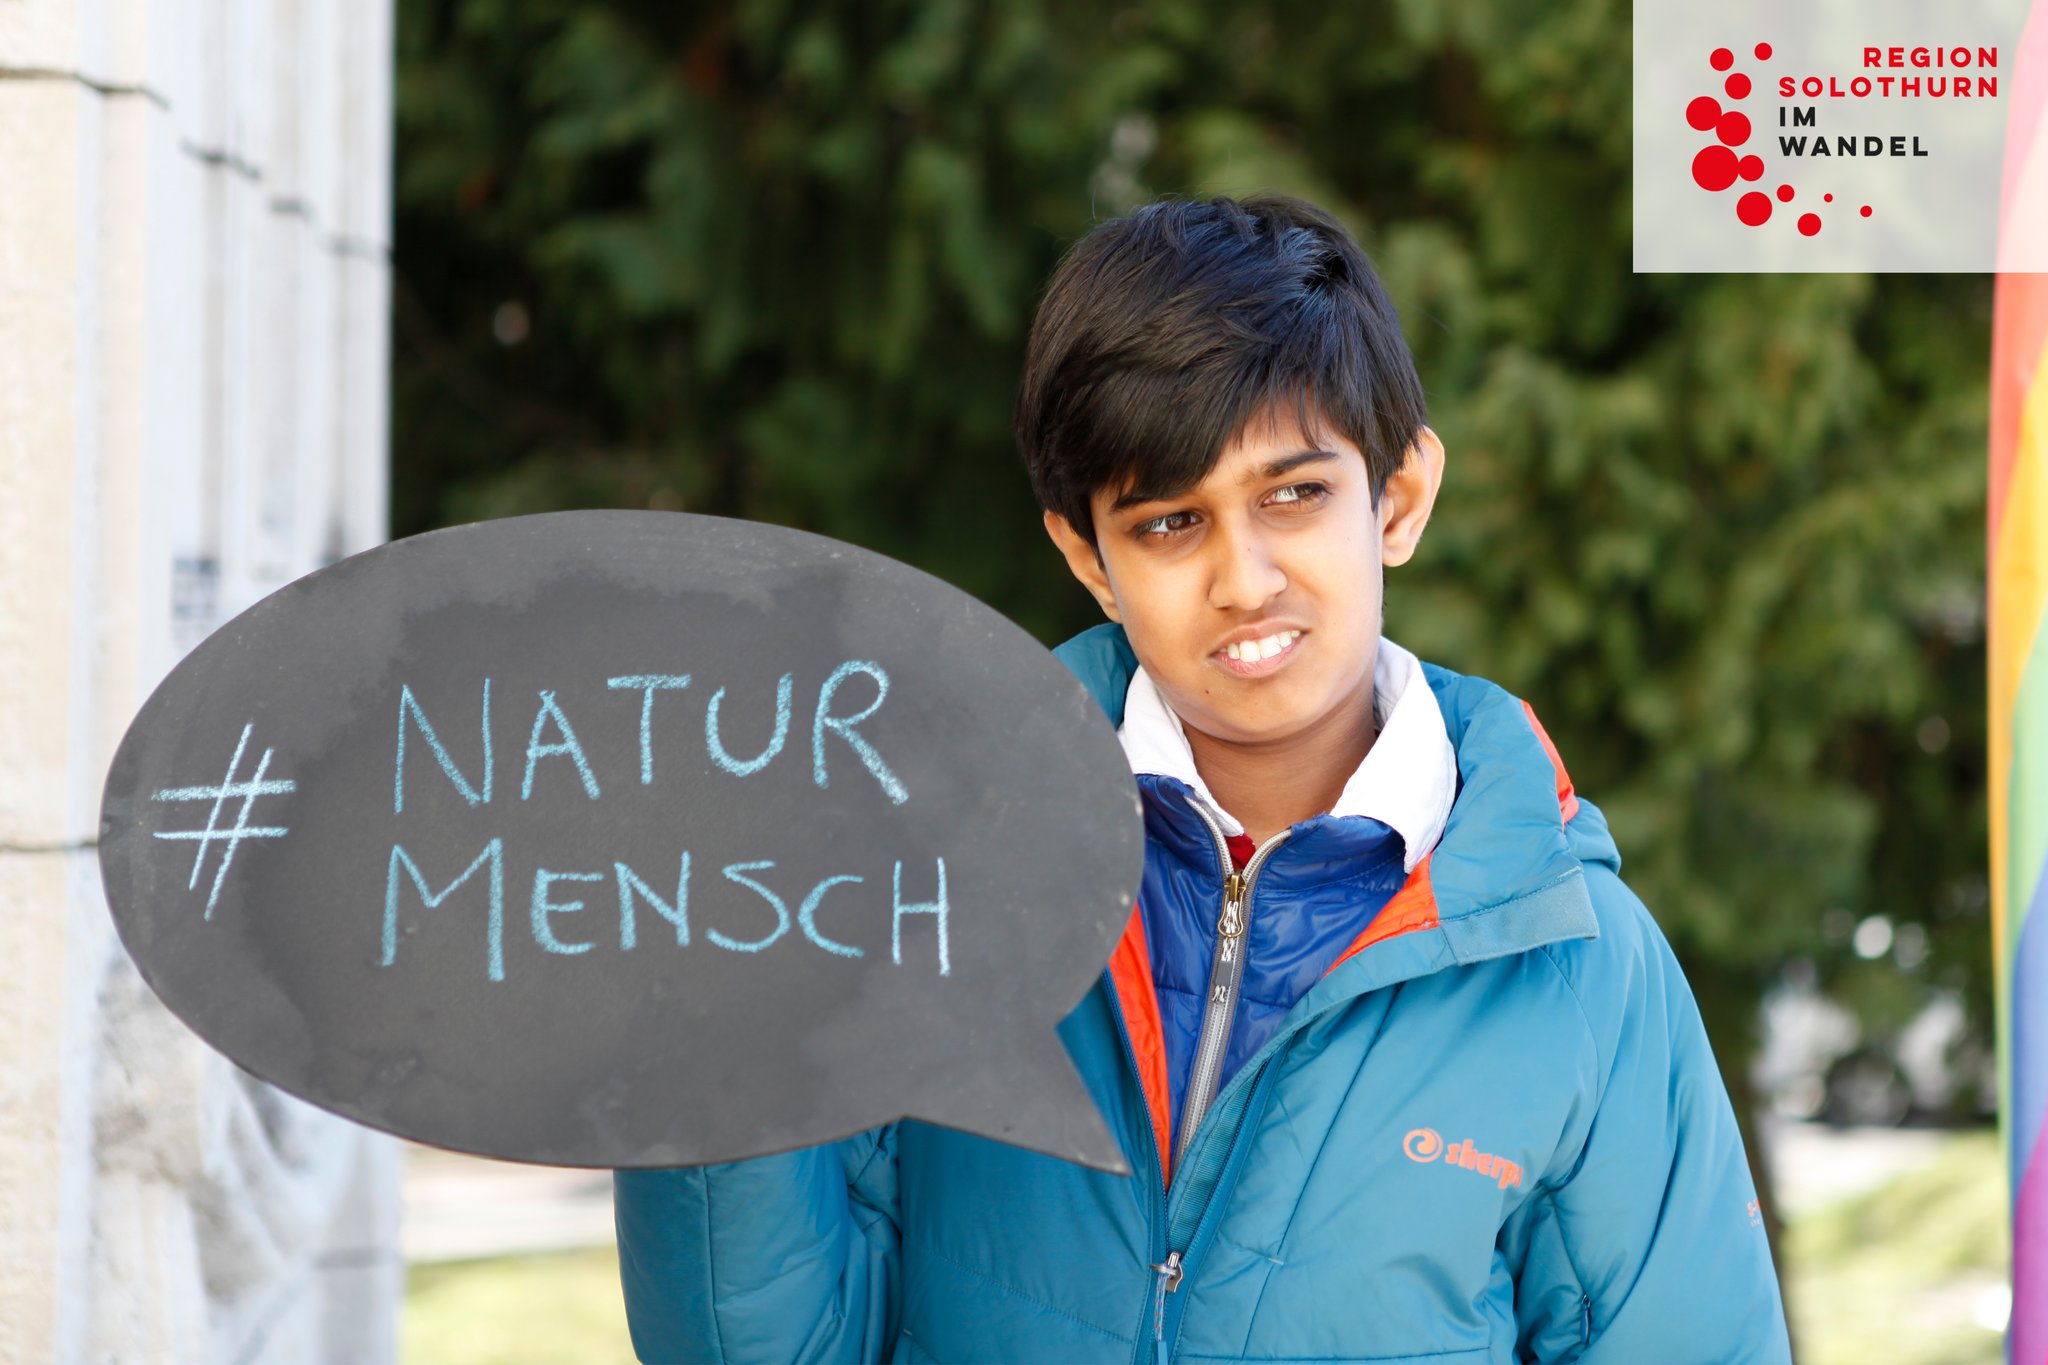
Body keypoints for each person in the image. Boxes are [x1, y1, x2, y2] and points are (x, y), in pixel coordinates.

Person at [613, 193, 1793, 1363]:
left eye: (1294, 495)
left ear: (1396, 497)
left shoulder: (1576, 964)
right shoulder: (925, 890)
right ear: (1087, 556)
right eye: (1169, 523)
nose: (1244, 580)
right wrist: (705, 1032)